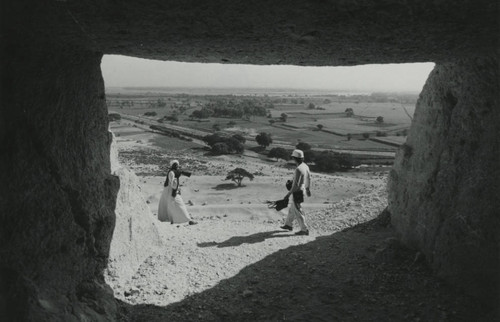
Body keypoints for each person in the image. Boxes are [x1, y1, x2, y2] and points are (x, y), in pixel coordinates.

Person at [280, 149, 311, 235]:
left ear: (294, 158)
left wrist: (288, 194)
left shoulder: (298, 169)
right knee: (293, 208)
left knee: (298, 210)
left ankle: (304, 230)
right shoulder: (305, 166)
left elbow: (296, 185)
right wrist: (308, 189)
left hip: (297, 192)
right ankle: (288, 225)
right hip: (303, 189)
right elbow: (309, 178)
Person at [158, 160, 197, 225]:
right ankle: (188, 220)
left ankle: (173, 220)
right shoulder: (171, 173)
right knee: (179, 204)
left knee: (171, 205)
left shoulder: (174, 172)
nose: (176, 166)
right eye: (175, 164)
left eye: (177, 164)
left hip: (170, 190)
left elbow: (176, 179)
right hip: (171, 190)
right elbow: (172, 182)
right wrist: (175, 190)